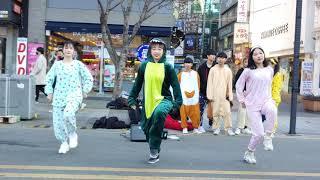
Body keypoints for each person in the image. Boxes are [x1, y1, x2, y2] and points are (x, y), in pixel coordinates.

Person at [128, 38, 182, 164]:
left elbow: (175, 86)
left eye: (160, 49)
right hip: (148, 102)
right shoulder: (144, 66)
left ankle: (154, 149)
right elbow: (137, 85)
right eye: (154, 49)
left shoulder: (168, 67)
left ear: (164, 51)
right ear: (150, 51)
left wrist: (177, 103)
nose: (157, 51)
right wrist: (131, 99)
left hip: (165, 100)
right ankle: (154, 148)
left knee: (159, 113)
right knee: (147, 128)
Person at [45, 42, 93, 154]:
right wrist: (49, 92)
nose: (68, 50)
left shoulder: (78, 64)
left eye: (70, 48)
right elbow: (49, 79)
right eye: (66, 48)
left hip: (74, 95)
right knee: (58, 123)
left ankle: (72, 133)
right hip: (58, 97)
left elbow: (88, 78)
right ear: (63, 51)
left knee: (68, 113)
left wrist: (85, 90)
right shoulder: (57, 65)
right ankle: (63, 143)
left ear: (73, 51)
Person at [236, 46, 277, 164]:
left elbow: (270, 85)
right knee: (258, 133)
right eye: (255, 54)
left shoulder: (269, 69)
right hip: (252, 104)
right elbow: (239, 85)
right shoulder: (248, 71)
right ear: (252, 58)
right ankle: (249, 152)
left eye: (261, 53)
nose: (258, 56)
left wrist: (273, 98)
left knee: (272, 110)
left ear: (264, 55)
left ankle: (268, 137)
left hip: (266, 101)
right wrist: (242, 100)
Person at [207, 52, 235, 136]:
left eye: (223, 58)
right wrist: (210, 95)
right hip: (215, 94)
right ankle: (216, 128)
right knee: (215, 112)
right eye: (219, 57)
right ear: (216, 58)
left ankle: (229, 128)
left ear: (225, 59)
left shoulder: (228, 70)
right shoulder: (213, 69)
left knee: (227, 112)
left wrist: (230, 95)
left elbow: (230, 84)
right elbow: (209, 83)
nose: (221, 59)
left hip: (224, 95)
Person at [178, 57, 201, 134]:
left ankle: (196, 128)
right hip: (183, 96)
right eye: (186, 63)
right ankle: (184, 127)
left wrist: (197, 94)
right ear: (184, 64)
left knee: (195, 113)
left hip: (194, 96)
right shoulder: (180, 74)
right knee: (183, 113)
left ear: (192, 64)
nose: (188, 65)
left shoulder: (195, 73)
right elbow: (177, 85)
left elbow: (198, 85)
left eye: (190, 63)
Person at [197, 49, 216, 132]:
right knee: (200, 109)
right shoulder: (201, 67)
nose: (214, 56)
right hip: (203, 91)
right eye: (212, 55)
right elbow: (198, 79)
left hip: (214, 92)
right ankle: (199, 125)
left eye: (214, 55)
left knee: (214, 109)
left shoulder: (216, 66)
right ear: (208, 56)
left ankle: (212, 124)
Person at [234, 58, 252, 135]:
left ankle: (246, 127)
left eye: (248, 62)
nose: (247, 63)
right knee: (241, 110)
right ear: (243, 63)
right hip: (242, 93)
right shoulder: (240, 71)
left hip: (250, 94)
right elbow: (237, 83)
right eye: (245, 62)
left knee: (249, 112)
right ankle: (239, 127)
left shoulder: (252, 71)